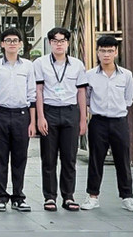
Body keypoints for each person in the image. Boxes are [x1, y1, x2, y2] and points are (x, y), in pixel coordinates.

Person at [80, 36, 133, 212]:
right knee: (95, 160)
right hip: (98, 121)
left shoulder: (126, 75)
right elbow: (87, 99)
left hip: (119, 121)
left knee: (123, 160)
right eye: (103, 51)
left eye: (110, 51)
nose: (106, 54)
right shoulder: (90, 75)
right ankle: (93, 196)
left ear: (116, 52)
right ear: (97, 52)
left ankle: (127, 197)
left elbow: (128, 99)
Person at [34, 27, 88, 212]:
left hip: (70, 112)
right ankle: (50, 197)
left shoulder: (77, 64)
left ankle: (68, 196)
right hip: (49, 111)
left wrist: (83, 119)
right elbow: (38, 91)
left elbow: (81, 92)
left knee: (69, 158)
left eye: (62, 41)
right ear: (50, 43)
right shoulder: (40, 63)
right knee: (48, 158)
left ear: (68, 43)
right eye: (55, 41)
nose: (59, 44)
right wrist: (40, 117)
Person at [0, 28, 36, 213]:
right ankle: (1, 197)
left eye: (15, 40)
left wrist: (32, 122)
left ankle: (18, 197)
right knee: (0, 158)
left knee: (19, 158)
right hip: (0, 115)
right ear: (2, 44)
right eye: (8, 40)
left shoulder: (28, 66)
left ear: (21, 44)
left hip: (22, 115)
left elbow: (32, 95)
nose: (12, 43)